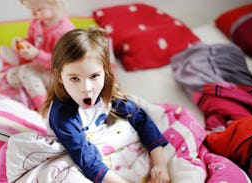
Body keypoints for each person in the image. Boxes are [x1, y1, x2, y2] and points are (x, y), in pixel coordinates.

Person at [41, 27, 170, 183]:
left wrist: (160, 164)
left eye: (94, 76)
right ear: (59, 76)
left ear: (104, 72)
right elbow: (87, 160)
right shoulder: (61, 114)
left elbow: (141, 119)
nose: (86, 88)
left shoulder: (107, 94)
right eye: (75, 78)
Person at [0, 0, 75, 111]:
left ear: (56, 5)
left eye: (38, 9)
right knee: (11, 75)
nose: (33, 14)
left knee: (25, 72)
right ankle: (32, 98)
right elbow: (32, 41)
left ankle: (45, 110)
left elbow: (62, 63)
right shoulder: (36, 23)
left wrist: (37, 55)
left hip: (59, 76)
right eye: (30, 9)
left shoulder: (64, 31)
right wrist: (21, 43)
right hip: (41, 70)